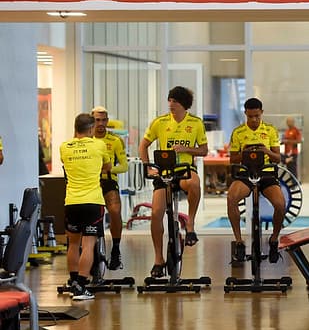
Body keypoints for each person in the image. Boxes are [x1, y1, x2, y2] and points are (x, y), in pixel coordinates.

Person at [138, 86, 208, 278]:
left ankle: (191, 225)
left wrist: (185, 150)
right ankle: (158, 260)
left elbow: (203, 150)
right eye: (169, 100)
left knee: (194, 183)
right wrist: (147, 166)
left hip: (184, 170)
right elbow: (143, 144)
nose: (171, 104)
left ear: (183, 104)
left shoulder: (195, 123)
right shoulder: (159, 122)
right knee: (156, 213)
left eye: (175, 101)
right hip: (164, 172)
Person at [60, 113, 111, 301]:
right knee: (88, 245)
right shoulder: (99, 145)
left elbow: (65, 165)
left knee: (73, 244)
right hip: (93, 201)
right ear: (91, 129)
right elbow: (107, 166)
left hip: (71, 202)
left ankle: (73, 281)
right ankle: (81, 286)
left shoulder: (64, 147)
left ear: (75, 128)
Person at [227, 98, 285, 263]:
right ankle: (239, 242)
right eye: (250, 116)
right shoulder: (238, 132)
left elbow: (277, 159)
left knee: (280, 204)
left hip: (266, 173)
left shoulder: (270, 130)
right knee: (231, 198)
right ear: (245, 113)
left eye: (257, 116)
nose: (253, 120)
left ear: (261, 113)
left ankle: (274, 239)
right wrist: (244, 153)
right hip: (246, 174)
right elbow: (233, 159)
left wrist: (265, 150)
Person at [91, 106, 129, 270]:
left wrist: (108, 169)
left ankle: (115, 249)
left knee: (114, 211)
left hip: (108, 181)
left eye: (103, 120)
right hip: (89, 182)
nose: (100, 123)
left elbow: (124, 166)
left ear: (107, 121)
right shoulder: (85, 139)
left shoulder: (115, 141)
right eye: (97, 120)